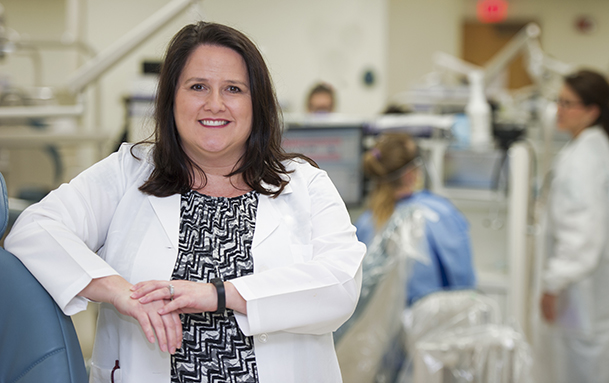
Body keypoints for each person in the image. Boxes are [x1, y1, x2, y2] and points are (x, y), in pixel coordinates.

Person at [5, 22, 365, 383]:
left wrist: (220, 294)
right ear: (171, 98)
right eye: (197, 87)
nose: (215, 104)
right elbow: (34, 229)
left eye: (233, 89)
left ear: (257, 103)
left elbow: (341, 284)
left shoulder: (304, 183)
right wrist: (119, 291)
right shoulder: (127, 173)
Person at [539, 69, 609, 383]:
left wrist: (553, 283)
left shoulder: (582, 160)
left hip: (590, 297)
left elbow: (582, 234)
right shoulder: (601, 148)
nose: (559, 110)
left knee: (586, 371)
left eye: (568, 103)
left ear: (592, 111)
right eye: (559, 101)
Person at [355, 132, 476, 305]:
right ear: (410, 174)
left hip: (380, 331)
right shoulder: (439, 214)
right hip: (433, 326)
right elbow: (464, 286)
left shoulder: (364, 223)